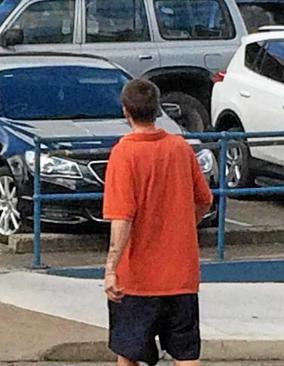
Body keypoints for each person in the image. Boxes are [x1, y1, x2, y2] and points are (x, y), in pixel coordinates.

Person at [102, 79, 213, 366]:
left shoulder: (124, 153)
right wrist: (183, 226)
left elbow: (122, 217)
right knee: (186, 353)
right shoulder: (180, 148)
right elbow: (204, 199)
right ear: (157, 109)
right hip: (181, 275)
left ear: (126, 111)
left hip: (136, 280)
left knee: (128, 353)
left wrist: (111, 269)